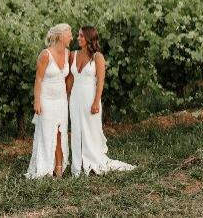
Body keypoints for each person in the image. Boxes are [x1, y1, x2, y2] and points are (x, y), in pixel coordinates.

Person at [68, 26, 135, 176]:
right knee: (77, 130)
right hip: (75, 98)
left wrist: (96, 102)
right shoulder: (73, 55)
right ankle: (79, 165)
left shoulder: (98, 57)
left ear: (89, 38)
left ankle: (93, 162)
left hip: (90, 97)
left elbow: (101, 81)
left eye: (81, 36)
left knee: (91, 130)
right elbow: (71, 79)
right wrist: (64, 97)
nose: (78, 38)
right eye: (78, 36)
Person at [25, 23, 71, 178]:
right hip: (46, 99)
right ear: (60, 36)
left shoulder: (67, 53)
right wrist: (37, 101)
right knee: (46, 132)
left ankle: (58, 167)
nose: (71, 37)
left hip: (61, 99)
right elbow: (38, 79)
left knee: (60, 132)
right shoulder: (45, 55)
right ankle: (44, 167)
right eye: (69, 34)